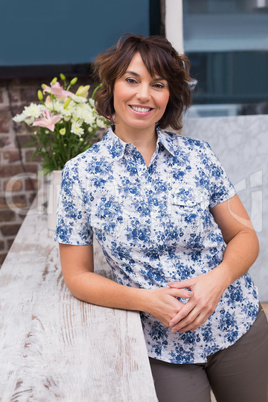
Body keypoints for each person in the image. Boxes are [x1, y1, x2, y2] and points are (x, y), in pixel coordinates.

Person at [55, 34, 268, 402]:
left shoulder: (199, 156)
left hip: (236, 323)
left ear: (170, 96)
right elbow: (76, 276)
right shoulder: (81, 174)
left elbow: (245, 236)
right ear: (112, 86)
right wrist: (146, 301)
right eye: (132, 80)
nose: (144, 95)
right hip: (159, 347)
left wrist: (217, 281)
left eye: (158, 84)